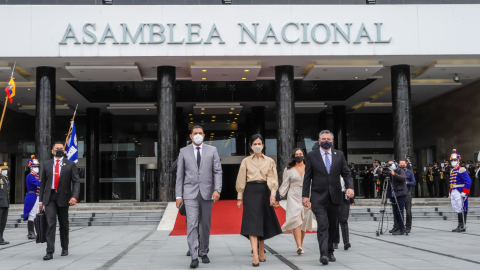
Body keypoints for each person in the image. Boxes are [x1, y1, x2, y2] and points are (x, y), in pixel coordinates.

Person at [302, 130, 354, 265]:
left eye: (329, 139)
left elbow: (346, 173)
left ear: (332, 141)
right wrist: (305, 196)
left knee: (333, 226)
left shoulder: (339, 155)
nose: (326, 141)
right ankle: (323, 254)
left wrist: (350, 187)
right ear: (319, 141)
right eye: (324, 139)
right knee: (323, 224)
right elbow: (307, 177)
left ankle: (330, 250)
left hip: (336, 197)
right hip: (318, 197)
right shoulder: (312, 156)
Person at [175, 125, 222, 269]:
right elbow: (180, 175)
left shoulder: (212, 150)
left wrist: (217, 189)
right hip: (190, 193)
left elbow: (217, 171)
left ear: (204, 135)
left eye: (200, 133)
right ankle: (194, 256)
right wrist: (178, 195)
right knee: (191, 224)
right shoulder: (183, 151)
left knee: (205, 224)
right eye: (195, 133)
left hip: (208, 192)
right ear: (191, 136)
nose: (197, 135)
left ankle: (203, 251)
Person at [236, 134, 282, 267]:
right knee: (252, 223)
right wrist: (240, 197)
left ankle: (262, 250)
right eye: (255, 144)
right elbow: (241, 179)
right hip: (250, 191)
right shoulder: (245, 161)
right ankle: (255, 255)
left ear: (263, 145)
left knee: (263, 222)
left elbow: (273, 179)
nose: (257, 146)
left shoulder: (270, 161)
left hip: (264, 191)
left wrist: (273, 194)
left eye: (259, 143)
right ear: (250, 146)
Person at [39, 141, 81, 260]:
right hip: (50, 197)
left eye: (61, 148)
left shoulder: (70, 164)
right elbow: (43, 184)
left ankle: (65, 247)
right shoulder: (47, 164)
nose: (59, 150)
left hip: (64, 197)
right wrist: (40, 201)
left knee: (64, 224)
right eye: (57, 148)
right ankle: (49, 251)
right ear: (52, 151)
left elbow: (76, 181)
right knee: (50, 223)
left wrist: (74, 196)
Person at [278, 148, 313, 255]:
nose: (298, 155)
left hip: (307, 196)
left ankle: (300, 245)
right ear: (293, 157)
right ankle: (298, 245)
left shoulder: (310, 168)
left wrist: (313, 200)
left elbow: (314, 184)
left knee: (303, 221)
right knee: (296, 220)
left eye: (300, 154)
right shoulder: (288, 170)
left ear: (304, 156)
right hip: (293, 196)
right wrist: (277, 198)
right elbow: (285, 185)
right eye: (296, 154)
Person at [448, 150, 471, 232]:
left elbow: (468, 182)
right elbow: (452, 182)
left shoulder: (462, 169)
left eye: (454, 160)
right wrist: (450, 191)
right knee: (457, 208)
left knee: (461, 207)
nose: (453, 162)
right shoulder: (452, 170)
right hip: (454, 190)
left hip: (460, 190)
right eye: (452, 160)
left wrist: (464, 192)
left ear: (458, 161)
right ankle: (459, 224)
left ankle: (462, 225)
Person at [390, 160, 416, 234]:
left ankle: (408, 227)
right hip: (398, 192)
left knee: (408, 211)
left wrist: (407, 182)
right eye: (400, 165)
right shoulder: (396, 171)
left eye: (403, 165)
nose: (402, 166)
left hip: (407, 192)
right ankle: (396, 226)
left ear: (406, 164)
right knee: (397, 210)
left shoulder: (410, 172)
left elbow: (414, 182)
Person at [383, 160, 408, 235]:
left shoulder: (400, 170)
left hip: (400, 194)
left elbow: (403, 178)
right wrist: (382, 173)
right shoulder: (388, 172)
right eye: (389, 164)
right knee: (395, 212)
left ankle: (402, 229)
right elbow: (383, 180)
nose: (390, 165)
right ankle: (397, 227)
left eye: (391, 164)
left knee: (400, 212)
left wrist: (394, 174)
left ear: (395, 164)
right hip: (393, 195)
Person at [334, 176, 355, 250]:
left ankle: (346, 242)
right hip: (334, 197)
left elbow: (350, 186)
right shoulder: (331, 172)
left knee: (344, 220)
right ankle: (335, 241)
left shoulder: (346, 175)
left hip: (345, 198)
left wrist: (352, 200)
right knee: (335, 220)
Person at [23, 156, 41, 240]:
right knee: (32, 214)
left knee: (35, 214)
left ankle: (33, 232)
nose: (36, 168)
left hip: (35, 196)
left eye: (37, 166)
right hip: (31, 196)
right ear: (30, 167)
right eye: (34, 166)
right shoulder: (30, 176)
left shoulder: (35, 176)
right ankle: (30, 233)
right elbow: (39, 184)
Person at [0, 162, 10, 245]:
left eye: (6, 169)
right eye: (3, 169)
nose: (5, 171)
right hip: (0, 203)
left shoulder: (5, 179)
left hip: (5, 203)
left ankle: (1, 237)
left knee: (3, 222)